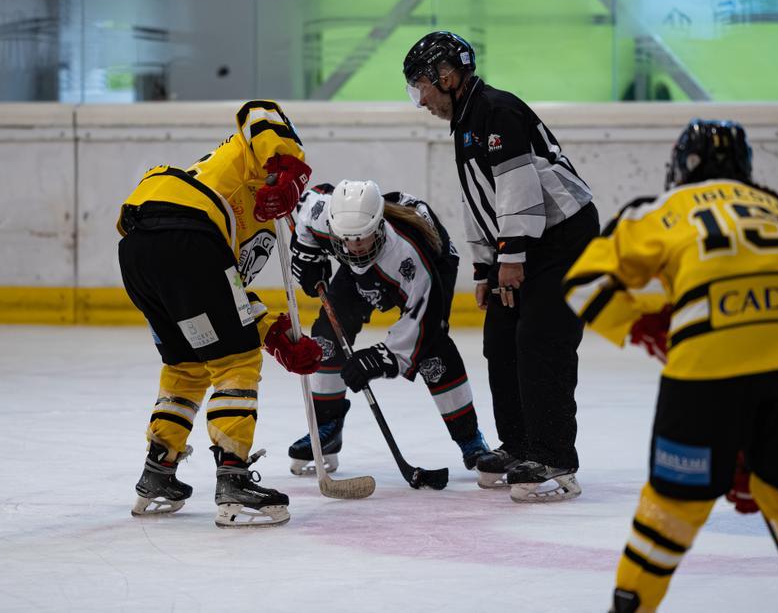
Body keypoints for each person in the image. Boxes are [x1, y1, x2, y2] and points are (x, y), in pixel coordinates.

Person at [562, 119, 778, 612]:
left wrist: (646, 328)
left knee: (671, 511)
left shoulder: (662, 208)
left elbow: (582, 284)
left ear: (682, 166)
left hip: (712, 355)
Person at [402, 31, 599, 502]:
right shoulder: (467, 119)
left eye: (420, 87)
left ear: (446, 76)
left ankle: (555, 461)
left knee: (540, 339)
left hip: (563, 239)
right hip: (525, 242)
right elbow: (480, 200)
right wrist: (486, 268)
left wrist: (510, 257)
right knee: (501, 339)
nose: (420, 100)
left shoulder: (496, 110)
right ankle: (520, 446)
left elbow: (518, 190)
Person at [117, 100, 324, 528]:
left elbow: (229, 295)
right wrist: (285, 170)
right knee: (236, 360)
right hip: (185, 227)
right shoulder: (256, 157)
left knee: (187, 364)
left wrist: (277, 337)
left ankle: (157, 474)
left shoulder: (262, 233)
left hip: (140, 247)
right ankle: (233, 479)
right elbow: (259, 110)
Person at [285, 180, 491, 476]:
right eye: (348, 239)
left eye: (363, 238)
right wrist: (306, 253)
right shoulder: (326, 216)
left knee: (433, 349)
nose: (355, 247)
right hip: (366, 269)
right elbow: (307, 203)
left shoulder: (407, 255)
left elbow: (421, 324)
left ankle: (470, 440)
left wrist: (380, 358)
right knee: (328, 334)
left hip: (433, 264)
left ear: (379, 225)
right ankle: (327, 429)